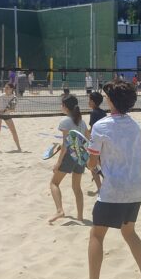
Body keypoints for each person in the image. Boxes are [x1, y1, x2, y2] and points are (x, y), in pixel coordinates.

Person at [78, 78, 141, 279]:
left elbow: (92, 163)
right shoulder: (135, 126)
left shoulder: (101, 126)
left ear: (111, 101)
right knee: (129, 232)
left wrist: (90, 162)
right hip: (135, 187)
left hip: (114, 190)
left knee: (96, 235)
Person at [49, 94, 87, 223]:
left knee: (54, 183)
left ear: (65, 106)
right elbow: (86, 139)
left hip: (70, 155)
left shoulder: (65, 121)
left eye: (62, 104)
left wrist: (58, 163)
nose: (61, 106)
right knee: (77, 187)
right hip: (81, 156)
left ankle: (59, 210)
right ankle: (80, 217)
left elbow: (66, 144)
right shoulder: (82, 122)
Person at [87, 90, 107, 192]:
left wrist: (84, 135)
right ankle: (105, 184)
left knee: (93, 167)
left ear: (93, 102)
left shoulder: (94, 113)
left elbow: (92, 130)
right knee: (101, 165)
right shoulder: (103, 113)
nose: (88, 102)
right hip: (104, 142)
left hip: (96, 143)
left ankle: (100, 188)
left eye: (89, 100)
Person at [0, 83, 21, 152]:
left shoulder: (14, 98)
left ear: (11, 89)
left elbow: (13, 109)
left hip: (6, 115)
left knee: (13, 131)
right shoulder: (1, 96)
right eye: (5, 87)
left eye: (7, 88)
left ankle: (19, 148)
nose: (5, 89)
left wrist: (7, 110)